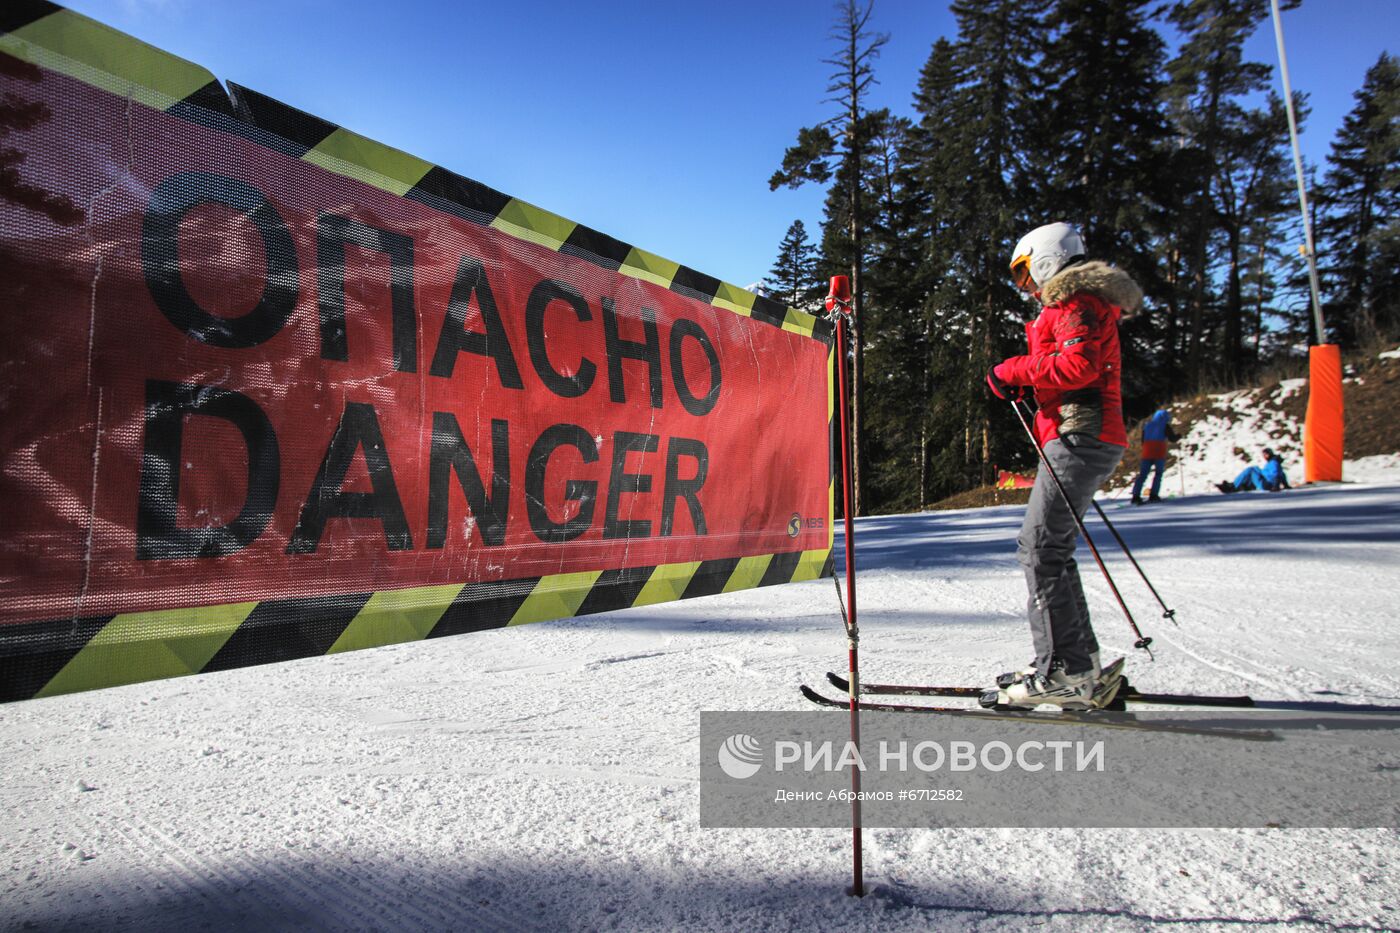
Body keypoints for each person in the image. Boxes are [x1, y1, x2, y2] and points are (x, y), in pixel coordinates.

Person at [985, 222, 1142, 709]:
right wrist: (1031, 383)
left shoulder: (1075, 304)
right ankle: (1076, 664)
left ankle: (1064, 671)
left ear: (1048, 259)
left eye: (1025, 273)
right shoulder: (1076, 305)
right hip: (1081, 435)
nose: (1025, 287)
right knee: (1050, 550)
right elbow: (1070, 369)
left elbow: (1078, 367)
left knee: (1038, 550)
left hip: (1081, 436)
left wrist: (1012, 370)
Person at [1131, 408, 1178, 505]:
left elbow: (1143, 441)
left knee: (1143, 475)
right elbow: (1172, 438)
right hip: (1158, 452)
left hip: (1147, 452)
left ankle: (1135, 496)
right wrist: (1179, 436)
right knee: (1158, 474)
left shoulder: (1147, 425)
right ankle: (1153, 495)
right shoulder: (1165, 426)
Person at [1217, 448, 1290, 494]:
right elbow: (1282, 474)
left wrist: (1276, 486)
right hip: (1267, 482)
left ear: (1269, 454)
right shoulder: (1274, 462)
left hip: (1267, 484)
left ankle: (1233, 486)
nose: (1264, 456)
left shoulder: (1273, 463)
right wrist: (1286, 485)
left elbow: (1276, 475)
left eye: (1265, 454)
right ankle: (1245, 485)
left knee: (1251, 470)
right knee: (1254, 469)